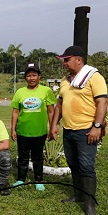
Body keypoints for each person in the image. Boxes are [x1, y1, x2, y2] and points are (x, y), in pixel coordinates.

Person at [50, 45, 107, 215]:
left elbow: (102, 103)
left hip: (86, 131)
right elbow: (59, 104)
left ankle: (90, 204)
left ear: (78, 60)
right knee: (73, 164)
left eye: (67, 60)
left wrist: (97, 126)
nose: (64, 63)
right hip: (68, 130)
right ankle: (78, 195)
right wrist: (53, 125)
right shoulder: (65, 80)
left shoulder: (94, 77)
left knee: (86, 166)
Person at [10, 63, 56, 191]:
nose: (31, 78)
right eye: (29, 75)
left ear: (39, 76)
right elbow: (15, 112)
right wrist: (13, 129)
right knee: (23, 157)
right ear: (25, 78)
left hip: (39, 132)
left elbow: (51, 111)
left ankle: (38, 180)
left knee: (37, 157)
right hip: (22, 131)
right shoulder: (20, 92)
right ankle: (20, 179)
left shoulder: (46, 91)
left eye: (34, 75)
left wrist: (52, 128)